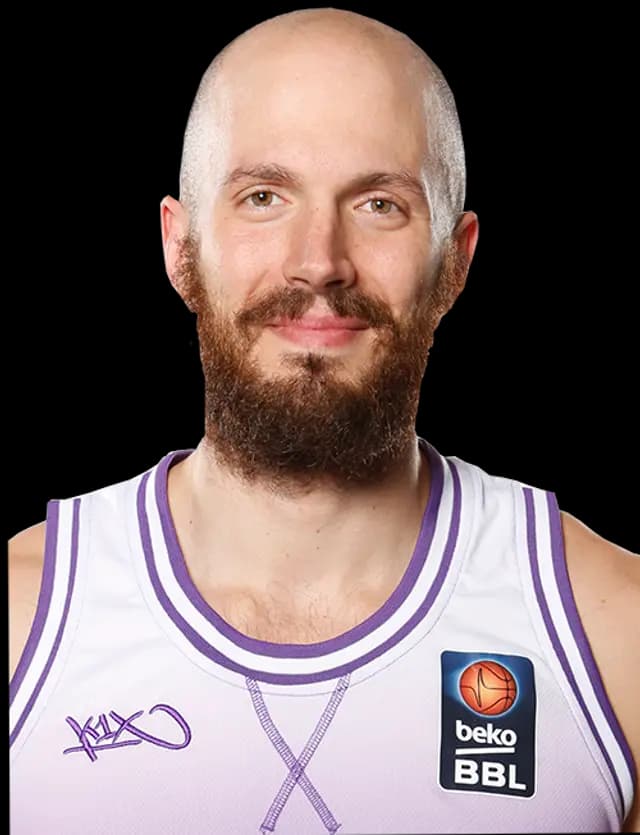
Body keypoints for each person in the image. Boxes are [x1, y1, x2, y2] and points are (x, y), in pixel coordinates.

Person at [8, 7, 638, 833]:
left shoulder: (615, 631)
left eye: (379, 204)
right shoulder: (21, 617)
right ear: (179, 245)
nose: (318, 262)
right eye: (264, 197)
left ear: (455, 262)